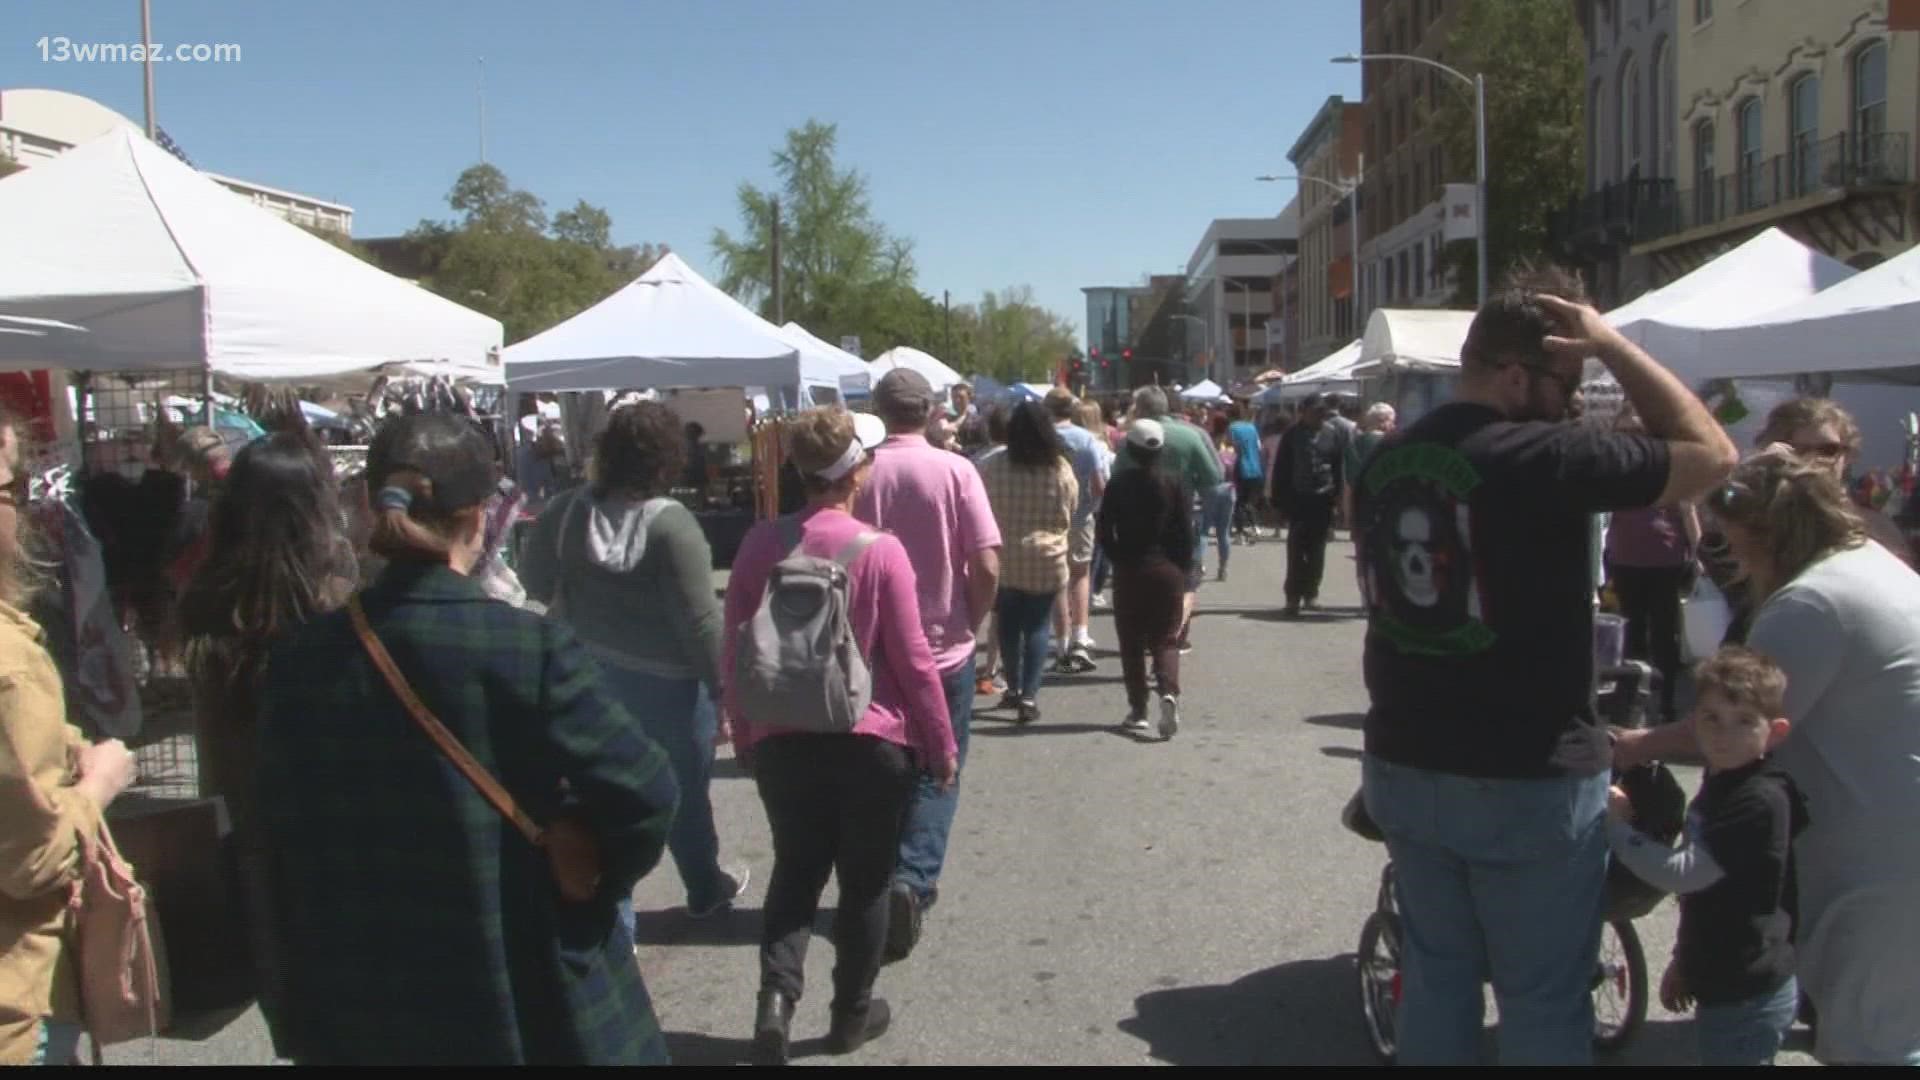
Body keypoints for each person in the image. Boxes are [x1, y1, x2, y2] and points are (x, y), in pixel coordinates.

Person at [1354, 268, 1737, 1065]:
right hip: (1522, 775)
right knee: (1542, 999)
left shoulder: (1385, 458)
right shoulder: (1544, 454)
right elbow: (1712, 453)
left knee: (1437, 980)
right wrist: (1612, 343)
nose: (1574, 398)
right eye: (1569, 380)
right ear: (1517, 373)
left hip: (1404, 756)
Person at [256, 414, 681, 1065]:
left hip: (362, 1000)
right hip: (513, 979)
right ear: (481, 516)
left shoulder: (298, 661)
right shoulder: (525, 647)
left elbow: (276, 833)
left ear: (369, 506)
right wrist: (591, 861)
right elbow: (646, 793)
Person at [1615, 448, 1920, 1065]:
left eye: (1736, 546)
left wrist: (1633, 744)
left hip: (1881, 844)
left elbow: (1733, 723)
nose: (1734, 564)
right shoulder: (1868, 563)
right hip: (1894, 823)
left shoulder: (1808, 603)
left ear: (1765, 536)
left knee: (1869, 1038)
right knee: (1889, 1020)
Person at [722, 409, 956, 1065]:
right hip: (869, 740)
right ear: (857, 470)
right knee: (865, 884)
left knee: (795, 872)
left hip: (783, 738)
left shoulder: (759, 544)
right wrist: (941, 747)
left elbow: (735, 645)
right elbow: (913, 664)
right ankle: (851, 1016)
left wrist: (743, 729)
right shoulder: (881, 551)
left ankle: (775, 1002)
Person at [521, 402, 748, 926]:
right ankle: (704, 887)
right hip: (669, 690)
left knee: (597, 798)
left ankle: (614, 916)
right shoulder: (672, 525)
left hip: (586, 676)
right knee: (685, 795)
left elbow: (534, 581)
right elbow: (700, 623)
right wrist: (724, 691)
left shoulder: (564, 511)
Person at [177, 432, 358, 1049]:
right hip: (338, 839)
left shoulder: (206, 600)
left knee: (295, 1012)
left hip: (246, 835)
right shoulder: (335, 603)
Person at [0, 410, 141, 1066]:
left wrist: (59, 739)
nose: (19, 513)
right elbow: (29, 862)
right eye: (8, 492)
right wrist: (99, 783)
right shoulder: (6, 658)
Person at [853, 369, 1001, 963]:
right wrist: (973, 617)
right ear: (933, 411)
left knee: (881, 765)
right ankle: (912, 881)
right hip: (944, 645)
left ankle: (882, 875)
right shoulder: (955, 470)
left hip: (871, 648)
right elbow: (986, 563)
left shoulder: (858, 475)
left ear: (879, 411)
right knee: (941, 767)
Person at [1606, 647, 1807, 1066]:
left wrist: (1615, 829)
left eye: (1744, 722)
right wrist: (1683, 962)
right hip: (1724, 977)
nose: (1723, 734)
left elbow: (1683, 874)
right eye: (1711, 718)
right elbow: (1706, 896)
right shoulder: (1723, 780)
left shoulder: (1758, 800)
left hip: (1750, 988)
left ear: (1776, 732)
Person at [980, 402, 1077, 725]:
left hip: (1004, 555)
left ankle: (1013, 685)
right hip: (1046, 558)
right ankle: (1030, 695)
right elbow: (1070, 509)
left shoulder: (993, 465)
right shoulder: (1059, 468)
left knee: (1007, 625)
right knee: (1037, 626)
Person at [1096, 419, 1193, 740]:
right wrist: (1182, 568)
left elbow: (1104, 529)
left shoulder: (1119, 483)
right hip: (1167, 571)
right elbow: (1185, 531)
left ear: (1131, 450)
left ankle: (1138, 709)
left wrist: (1117, 557)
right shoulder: (1174, 482)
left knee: (1131, 641)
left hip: (1130, 570)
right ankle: (1168, 691)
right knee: (1167, 638)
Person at [1603, 412, 1701, 724]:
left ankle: (1667, 700)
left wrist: (1698, 551)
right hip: (1624, 559)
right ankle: (1631, 700)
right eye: (1624, 431)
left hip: (1665, 560)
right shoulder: (1612, 468)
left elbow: (1687, 509)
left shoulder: (1668, 466)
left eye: (1636, 431)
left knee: (1664, 632)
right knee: (1630, 632)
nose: (1631, 437)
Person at [1111, 387, 1221, 654]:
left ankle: (1153, 634)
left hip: (1139, 519)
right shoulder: (1191, 435)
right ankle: (1172, 636)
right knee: (1185, 581)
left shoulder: (1130, 441)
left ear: (1143, 411)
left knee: (1147, 578)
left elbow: (1117, 477)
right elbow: (1214, 476)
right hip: (1182, 516)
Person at [1271, 393, 1350, 617]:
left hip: (1323, 500)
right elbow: (1281, 469)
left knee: (1317, 550)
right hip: (1298, 500)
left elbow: (1338, 468)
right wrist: (1278, 502)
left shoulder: (1332, 434)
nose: (1319, 416)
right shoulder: (1291, 435)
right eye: (1315, 412)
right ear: (1303, 412)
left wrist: (1339, 501)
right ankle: (1292, 597)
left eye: (1322, 412)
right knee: (1296, 550)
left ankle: (1311, 594)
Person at [1044, 389, 1104, 674]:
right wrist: (1093, 505)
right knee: (1080, 573)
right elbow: (1099, 481)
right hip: (1080, 514)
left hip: (1046, 514)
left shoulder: (1040, 438)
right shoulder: (1085, 438)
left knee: (1058, 577)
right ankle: (1080, 631)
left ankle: (1062, 637)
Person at [970, 406, 1011, 699]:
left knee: (979, 609)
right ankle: (991, 668)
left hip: (975, 541)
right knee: (999, 612)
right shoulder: (1019, 461)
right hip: (1007, 540)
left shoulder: (977, 462)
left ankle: (978, 666)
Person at [1341, 403, 1396, 530]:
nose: (1394, 426)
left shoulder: (1353, 445)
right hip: (1387, 507)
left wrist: (1348, 515)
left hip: (1361, 507)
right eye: (1392, 422)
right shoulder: (1393, 444)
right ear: (1383, 421)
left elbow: (1348, 485)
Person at [1203, 414, 1238, 582]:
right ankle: (1223, 568)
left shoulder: (1207, 444)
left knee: (1203, 530)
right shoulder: (1230, 446)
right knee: (1223, 532)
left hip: (1210, 488)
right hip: (1229, 489)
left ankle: (1199, 566)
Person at [1226, 403, 1266, 543]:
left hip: (1241, 466)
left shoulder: (1232, 428)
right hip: (1256, 467)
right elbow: (1259, 447)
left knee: (1238, 502)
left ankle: (1240, 532)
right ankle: (1256, 527)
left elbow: (1231, 447)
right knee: (1249, 501)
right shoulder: (1251, 427)